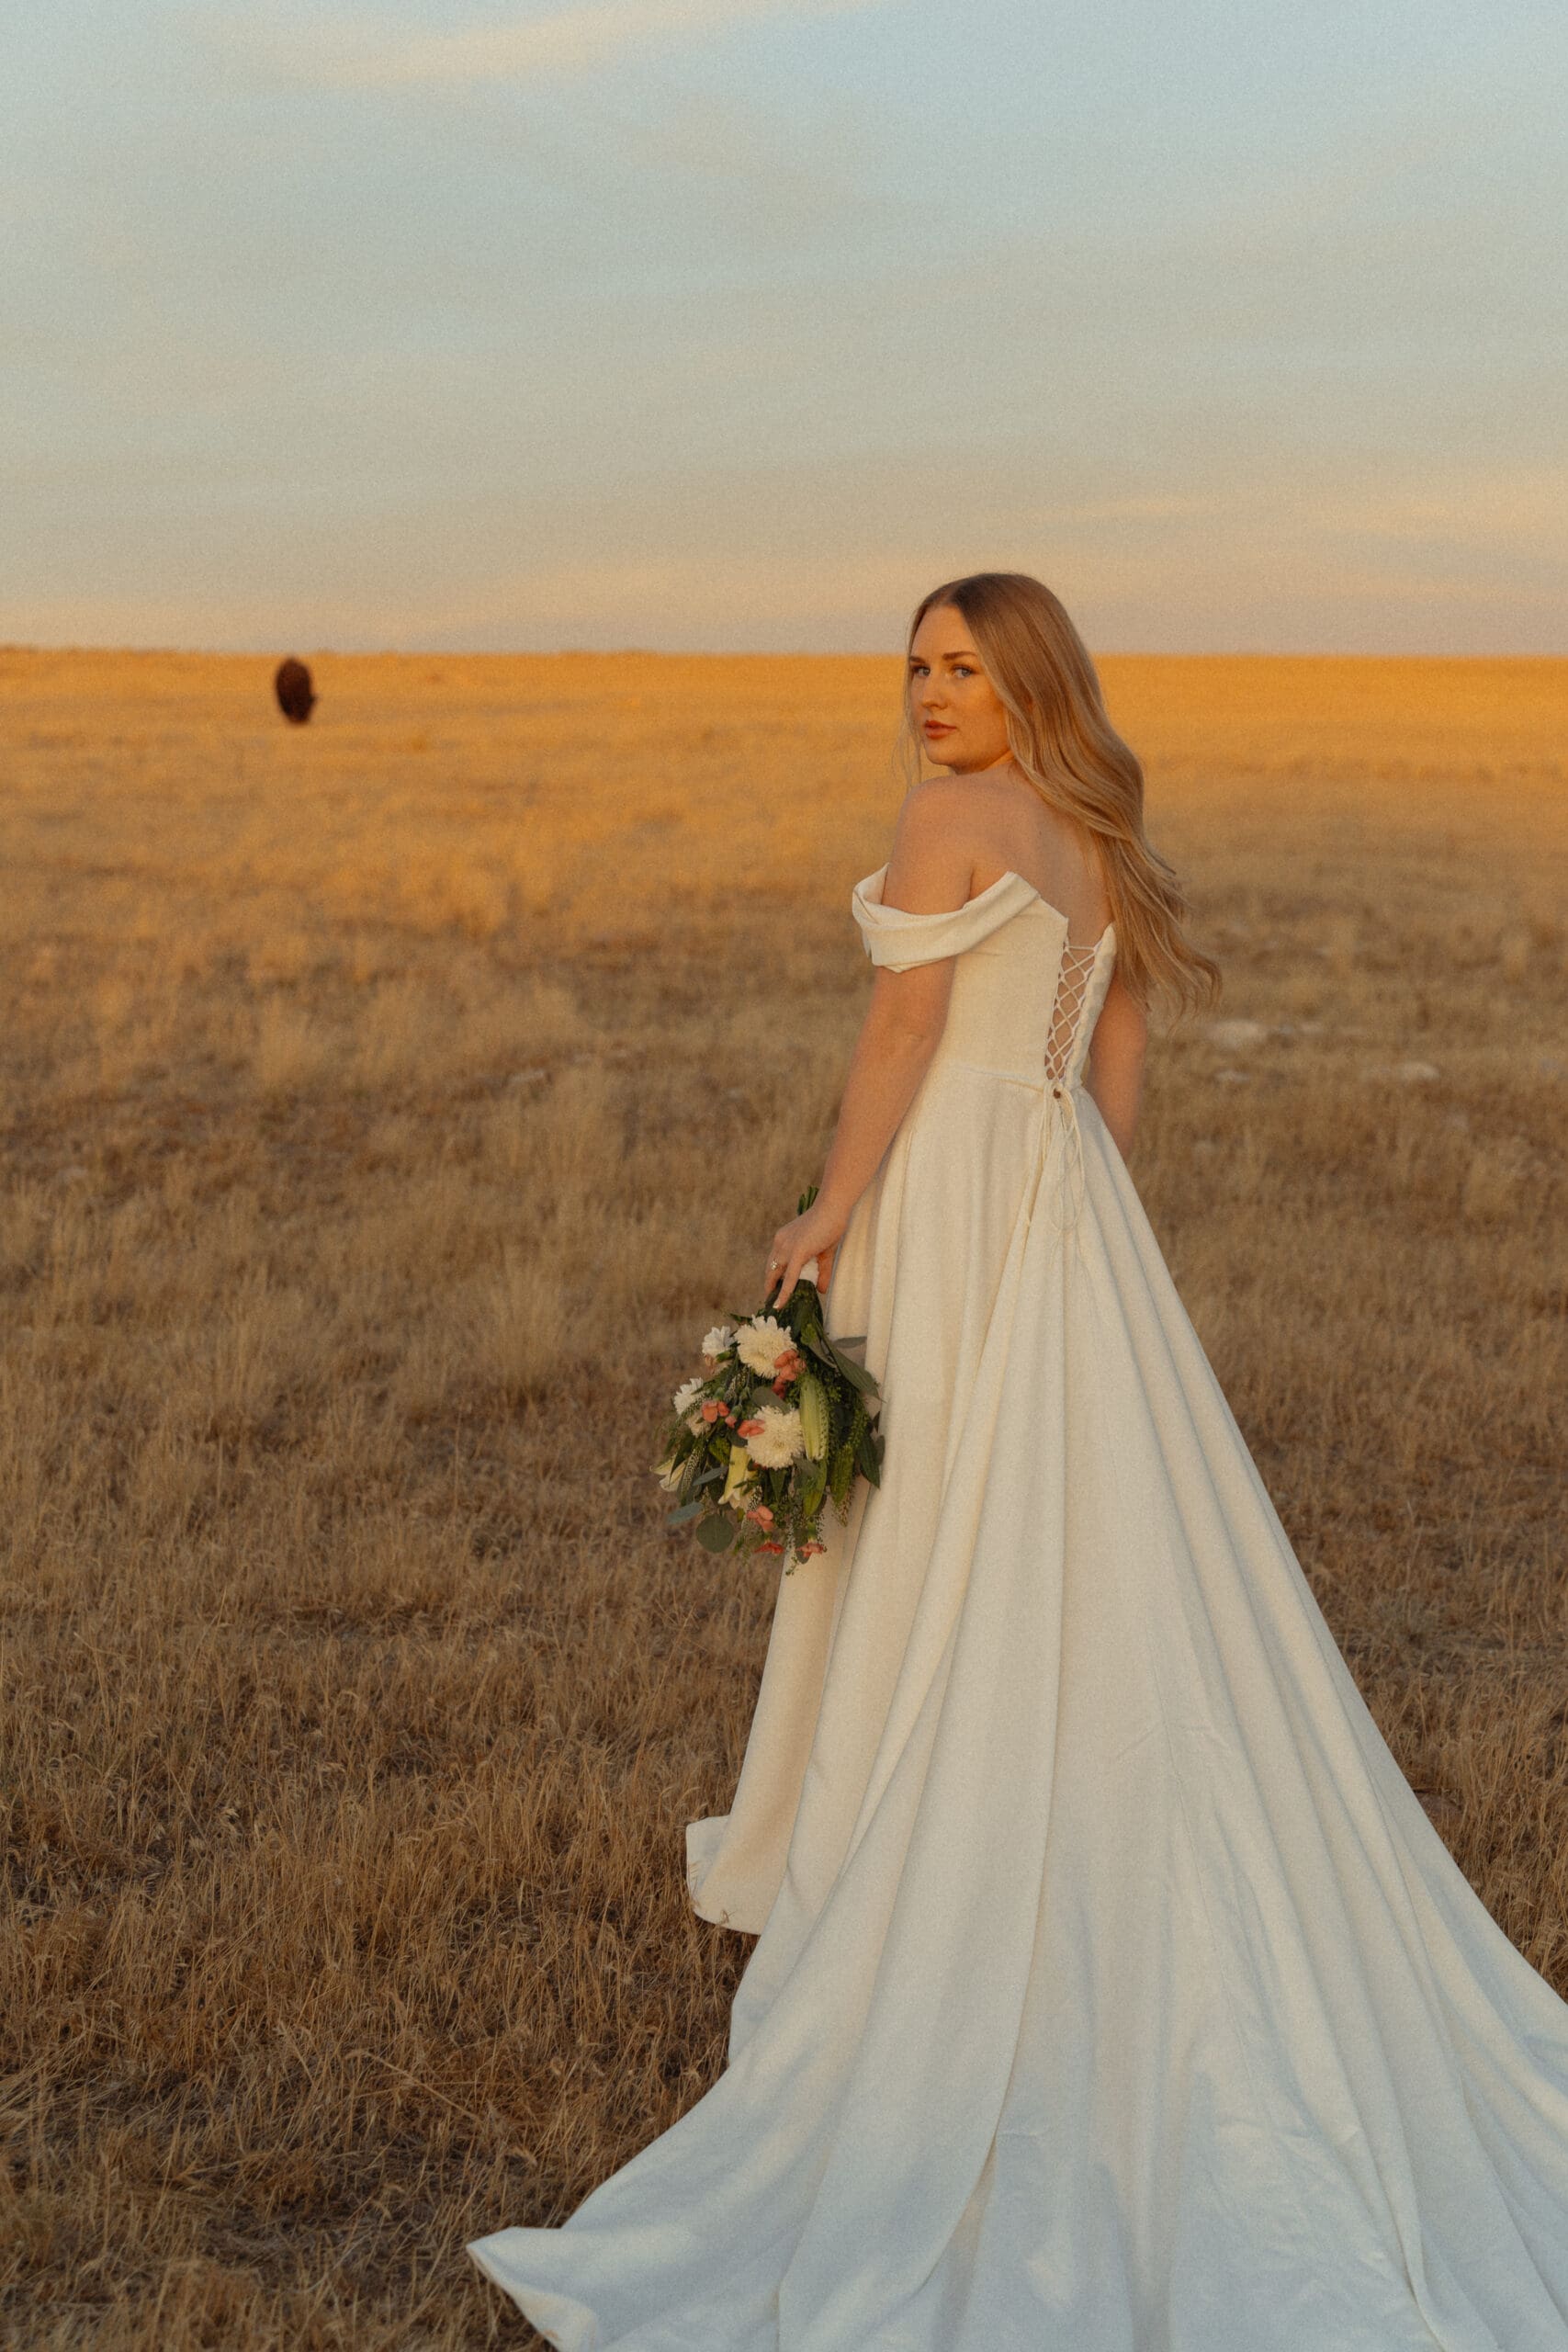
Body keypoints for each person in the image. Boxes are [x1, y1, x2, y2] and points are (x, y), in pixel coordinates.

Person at [469, 572, 1568, 2347]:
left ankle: (942, 1860)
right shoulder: (1090, 830)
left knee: (945, 1534)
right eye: (914, 668)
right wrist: (1089, 1216)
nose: (925, 695)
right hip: (1066, 1213)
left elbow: (903, 1033)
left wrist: (833, 1209)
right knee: (1085, 1535)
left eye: (962, 668)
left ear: (1026, 679)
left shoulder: (955, 820)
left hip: (961, 1207)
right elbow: (1115, 1047)